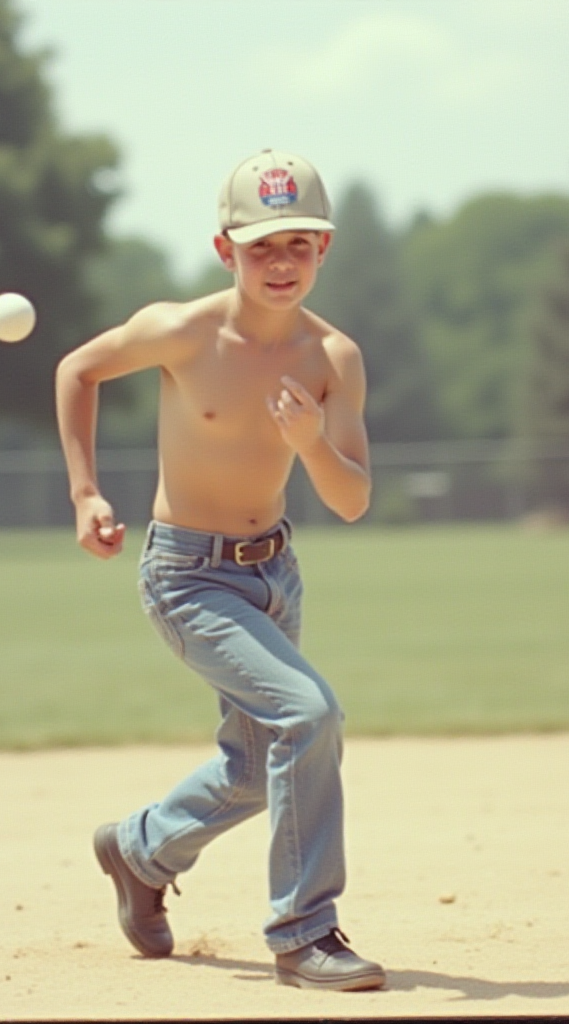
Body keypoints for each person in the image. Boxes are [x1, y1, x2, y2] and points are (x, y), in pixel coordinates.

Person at [55, 149, 385, 992]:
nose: (281, 263)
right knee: (310, 716)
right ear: (223, 249)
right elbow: (78, 369)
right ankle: (304, 932)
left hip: (274, 573)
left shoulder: (334, 359)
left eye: (299, 246)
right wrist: (86, 492)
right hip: (187, 576)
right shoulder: (185, 330)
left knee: (254, 764)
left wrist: (312, 442)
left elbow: (351, 499)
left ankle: (138, 852)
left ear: (325, 249)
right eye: (261, 246)